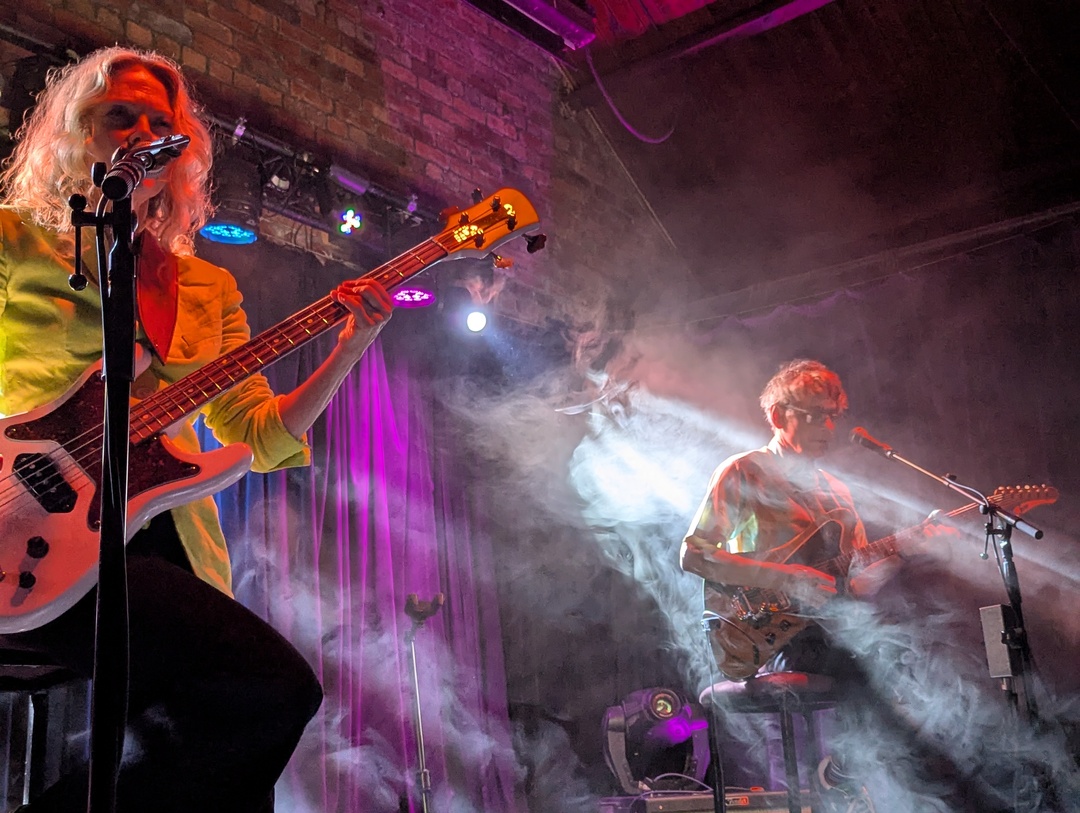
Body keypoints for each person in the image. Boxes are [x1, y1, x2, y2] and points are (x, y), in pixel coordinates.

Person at [0, 46, 393, 812]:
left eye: (161, 123)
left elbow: (259, 433)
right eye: (121, 116)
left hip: (160, 537)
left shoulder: (208, 286)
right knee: (264, 687)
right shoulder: (14, 239)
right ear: (77, 132)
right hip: (29, 522)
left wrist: (350, 348)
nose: (144, 133)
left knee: (242, 745)